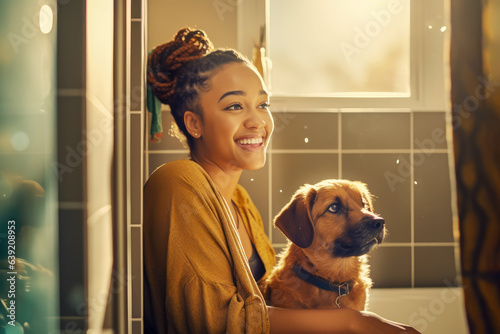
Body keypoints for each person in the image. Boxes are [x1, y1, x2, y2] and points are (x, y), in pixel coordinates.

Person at [143, 27, 420, 334]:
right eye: (235, 106)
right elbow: (209, 322)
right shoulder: (177, 182)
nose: (257, 121)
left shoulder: (240, 203)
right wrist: (353, 322)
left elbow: (258, 306)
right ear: (194, 123)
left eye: (262, 105)